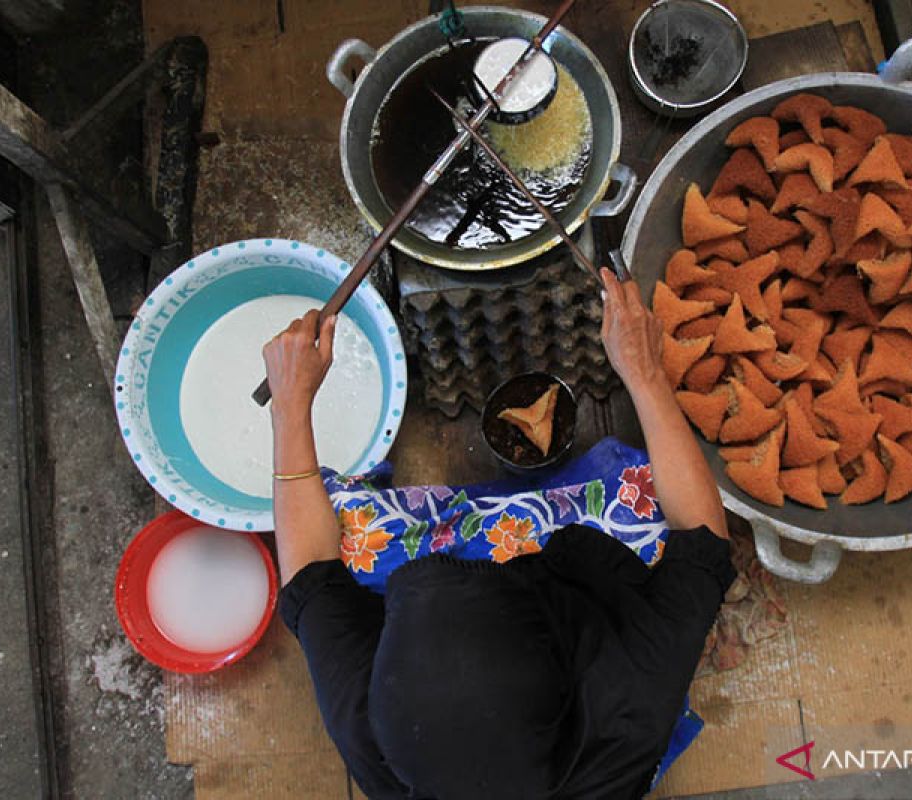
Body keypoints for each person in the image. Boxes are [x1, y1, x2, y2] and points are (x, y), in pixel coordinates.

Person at [262, 269, 734, 799]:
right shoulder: (630, 706)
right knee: (647, 507)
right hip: (580, 600)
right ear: (563, 669)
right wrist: (645, 376)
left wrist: (289, 406)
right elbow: (704, 541)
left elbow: (308, 571)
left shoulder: (368, 730)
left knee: (342, 522)